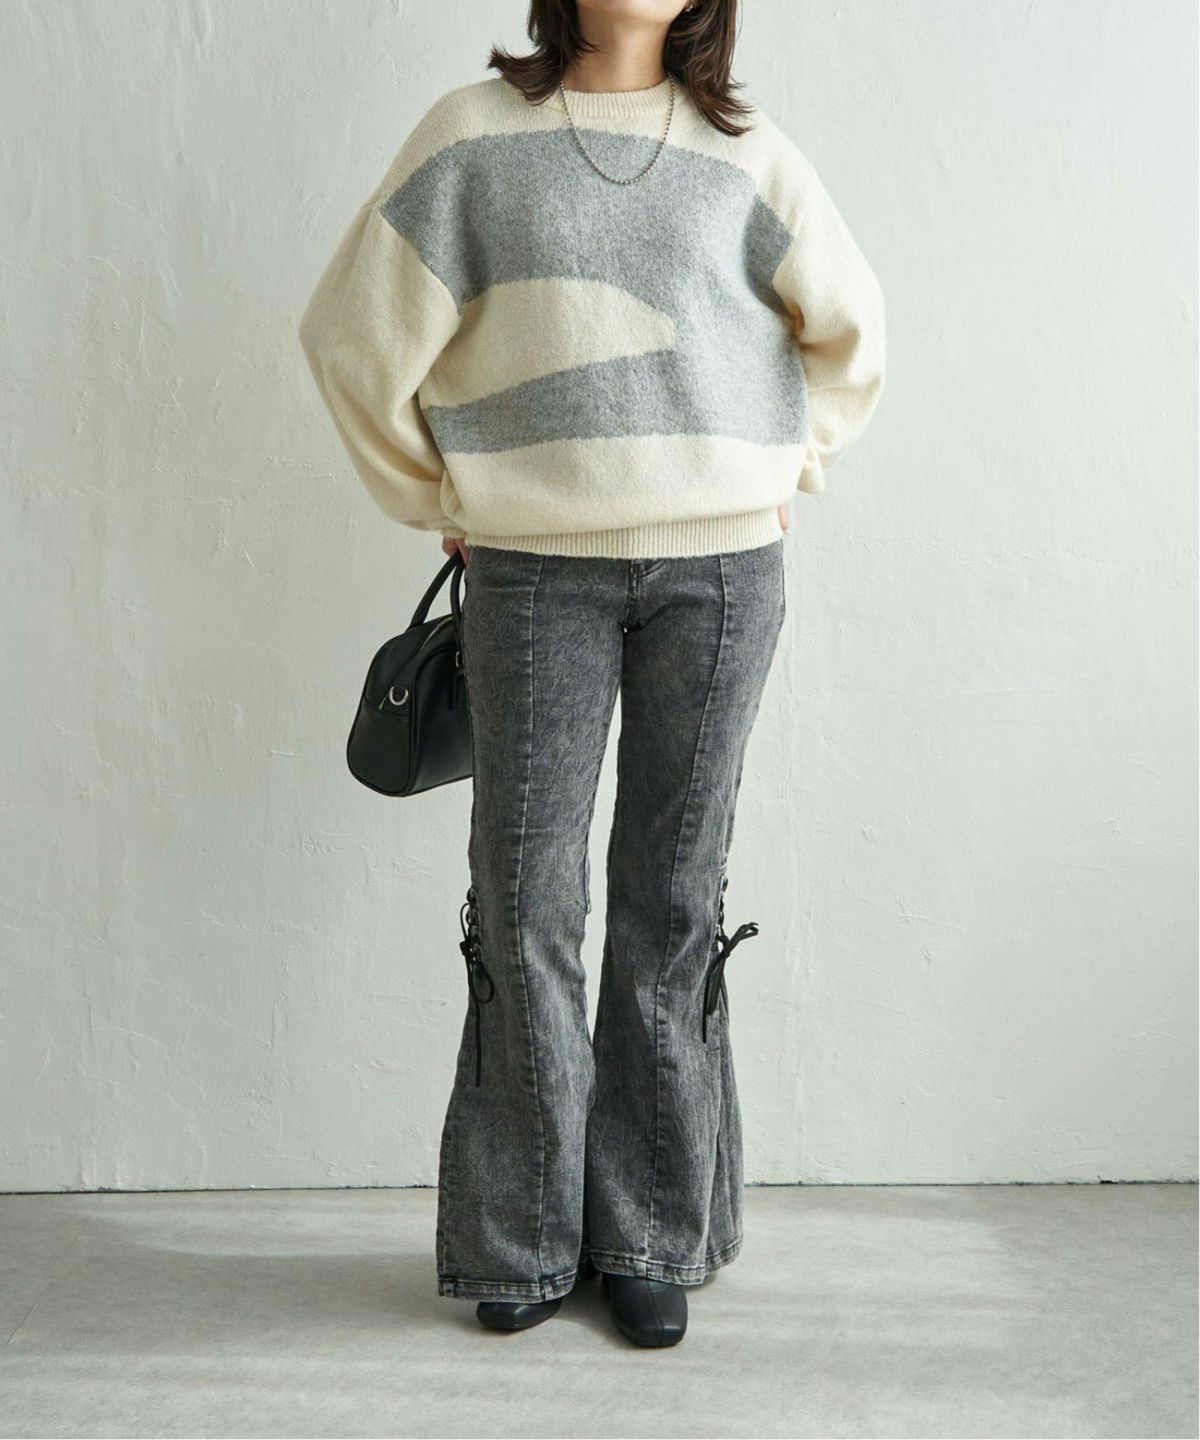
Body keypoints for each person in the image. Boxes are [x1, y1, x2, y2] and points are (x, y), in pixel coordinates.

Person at [297, 0, 885, 1348]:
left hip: (720, 577)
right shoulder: (469, 139)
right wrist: (437, 493)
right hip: (531, 574)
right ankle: (521, 1238)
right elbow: (348, 338)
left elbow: (854, 333)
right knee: (526, 900)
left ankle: (649, 1235)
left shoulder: (749, 156)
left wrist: (787, 466)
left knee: (670, 901)